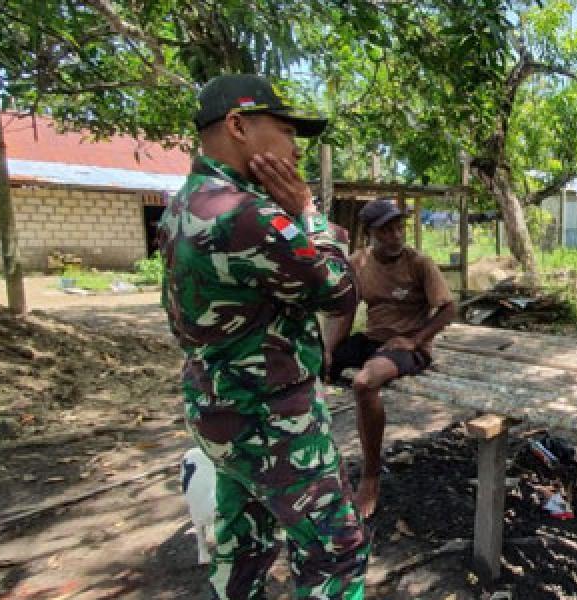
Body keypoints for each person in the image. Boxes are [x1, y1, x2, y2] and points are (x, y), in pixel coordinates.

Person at [159, 74, 368, 600]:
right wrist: (309, 214)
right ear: (237, 126)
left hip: (217, 411)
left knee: (244, 543)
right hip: (274, 423)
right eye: (285, 128)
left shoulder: (182, 206)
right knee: (334, 550)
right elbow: (340, 292)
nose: (295, 146)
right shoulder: (249, 215)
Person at [326, 198, 456, 518]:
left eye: (399, 228)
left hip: (409, 346)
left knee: (364, 382)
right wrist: (329, 351)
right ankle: (310, 467)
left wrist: (416, 339)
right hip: (373, 340)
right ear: (370, 233)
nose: (396, 235)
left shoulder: (419, 263)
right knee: (307, 363)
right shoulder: (359, 262)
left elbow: (449, 308)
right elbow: (345, 310)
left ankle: (370, 477)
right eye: (386, 230)